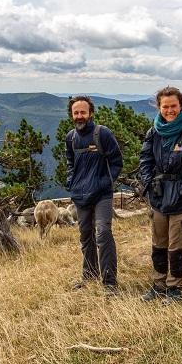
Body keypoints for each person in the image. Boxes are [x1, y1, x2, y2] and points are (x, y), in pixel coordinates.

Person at [139, 86, 182, 301]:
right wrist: (149, 183)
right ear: (159, 107)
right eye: (165, 106)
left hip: (181, 201)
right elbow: (145, 160)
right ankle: (158, 284)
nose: (169, 110)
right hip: (159, 196)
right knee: (158, 244)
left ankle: (175, 288)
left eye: (173, 106)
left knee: (176, 246)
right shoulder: (154, 132)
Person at [65, 95, 123, 295]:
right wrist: (70, 180)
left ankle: (109, 282)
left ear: (91, 113)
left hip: (102, 195)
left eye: (83, 112)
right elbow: (70, 164)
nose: (80, 116)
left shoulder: (102, 134)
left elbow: (117, 161)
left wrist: (105, 181)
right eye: (76, 113)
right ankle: (89, 275)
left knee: (103, 233)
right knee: (85, 236)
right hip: (80, 195)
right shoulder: (71, 138)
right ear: (72, 115)